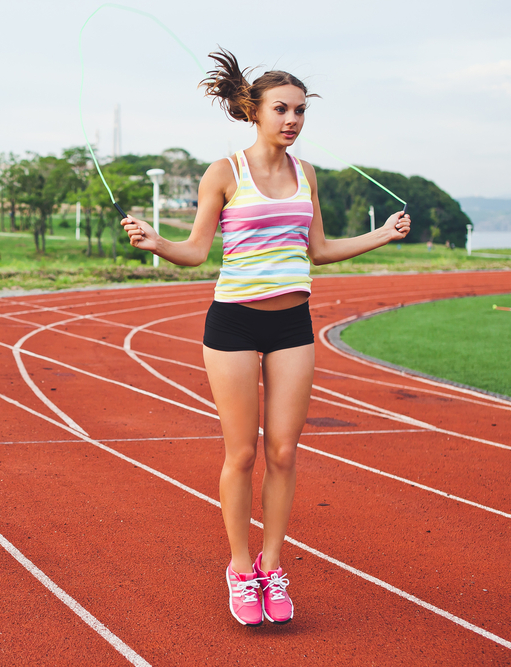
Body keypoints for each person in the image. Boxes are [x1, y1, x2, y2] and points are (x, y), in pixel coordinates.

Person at [119, 48, 411, 627]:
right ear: (254, 111)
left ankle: (272, 565)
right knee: (243, 452)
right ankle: (238, 568)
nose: (293, 120)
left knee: (283, 451)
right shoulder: (223, 172)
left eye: (301, 111)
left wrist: (380, 236)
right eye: (282, 109)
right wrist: (157, 243)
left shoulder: (307, 175)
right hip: (233, 322)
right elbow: (197, 252)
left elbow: (319, 250)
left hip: (291, 323)